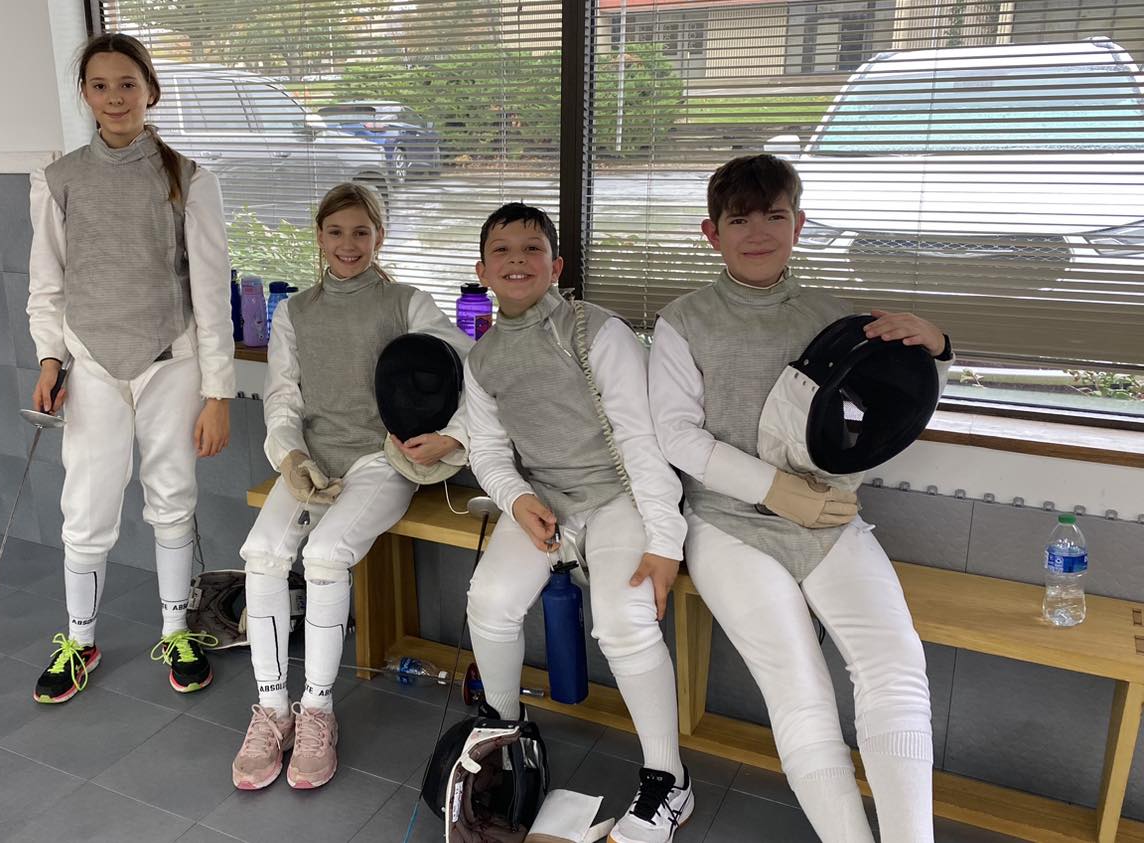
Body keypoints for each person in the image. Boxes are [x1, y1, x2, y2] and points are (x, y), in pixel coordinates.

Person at [649, 154, 953, 842]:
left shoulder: (835, 315)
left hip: (832, 518)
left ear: (799, 224)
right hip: (730, 523)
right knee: (799, 687)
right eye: (739, 220)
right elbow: (676, 435)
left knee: (896, 663)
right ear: (712, 233)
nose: (758, 232)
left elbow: (899, 400)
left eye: (775, 216)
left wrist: (937, 348)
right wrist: (775, 490)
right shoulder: (683, 320)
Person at [231, 182, 473, 791]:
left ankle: (317, 710)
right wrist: (290, 456)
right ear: (319, 237)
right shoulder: (294, 312)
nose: (348, 244)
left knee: (325, 555)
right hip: (314, 458)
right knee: (261, 554)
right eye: (336, 232)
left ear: (379, 237)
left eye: (361, 232)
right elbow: (283, 396)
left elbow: (469, 369)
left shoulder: (407, 302)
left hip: (381, 459)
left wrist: (451, 438)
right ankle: (272, 710)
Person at [464, 202, 694, 843]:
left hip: (620, 498)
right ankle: (502, 741)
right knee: (489, 600)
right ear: (482, 270)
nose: (517, 260)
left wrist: (665, 542)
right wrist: (517, 499)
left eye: (532, 249)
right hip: (545, 501)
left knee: (624, 621)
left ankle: (669, 780)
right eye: (502, 250)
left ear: (556, 265)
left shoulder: (598, 331)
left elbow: (641, 439)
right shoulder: (481, 358)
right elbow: (487, 450)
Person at [25, 33, 234, 704]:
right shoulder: (57, 179)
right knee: (85, 505)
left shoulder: (189, 178)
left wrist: (218, 393)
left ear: (151, 91)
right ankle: (79, 640)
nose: (114, 97)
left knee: (171, 496)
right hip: (91, 365)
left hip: (170, 361)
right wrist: (50, 358)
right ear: (85, 94)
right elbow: (47, 285)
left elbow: (211, 293)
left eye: (127, 84)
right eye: (100, 85)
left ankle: (176, 630)